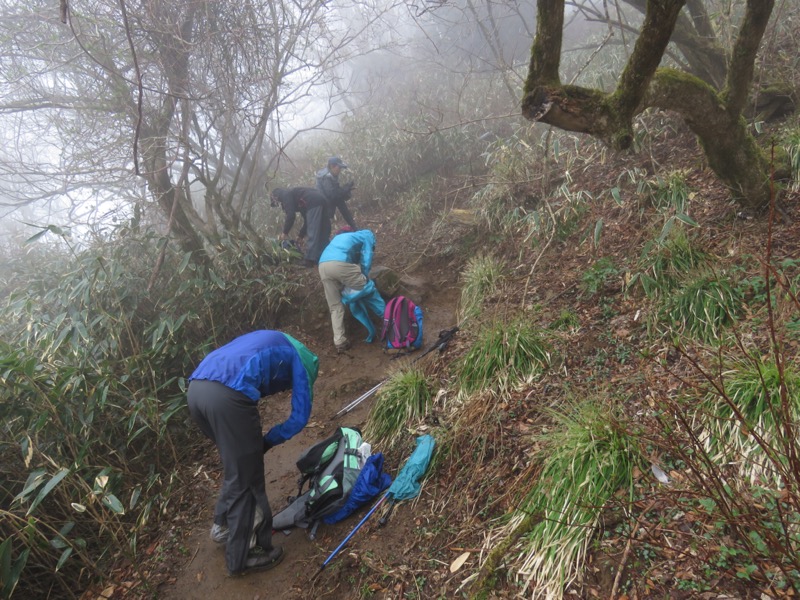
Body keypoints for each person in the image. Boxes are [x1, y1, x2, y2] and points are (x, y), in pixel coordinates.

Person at [187, 330, 319, 576]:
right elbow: (299, 418)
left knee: (237, 467)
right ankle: (245, 555)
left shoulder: (270, 339)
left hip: (196, 390)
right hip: (227, 398)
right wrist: (266, 442)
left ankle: (223, 526)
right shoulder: (303, 361)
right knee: (248, 477)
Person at [318, 228, 384, 353]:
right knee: (367, 287)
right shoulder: (368, 236)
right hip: (339, 263)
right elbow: (367, 257)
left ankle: (340, 341)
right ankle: (387, 317)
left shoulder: (341, 238)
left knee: (335, 306)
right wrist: (364, 276)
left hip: (322, 265)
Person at [271, 187, 331, 267]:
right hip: (322, 199)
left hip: (313, 201)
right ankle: (326, 257)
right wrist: (301, 235)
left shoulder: (285, 195)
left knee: (312, 232)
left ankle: (309, 260)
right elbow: (307, 221)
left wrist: (284, 232)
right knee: (323, 230)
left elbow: (291, 215)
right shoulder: (298, 199)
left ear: (276, 197)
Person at [316, 157, 357, 231]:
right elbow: (333, 195)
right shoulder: (326, 177)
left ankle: (355, 228)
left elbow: (338, 195)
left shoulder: (332, 174)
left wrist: (346, 189)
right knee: (324, 227)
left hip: (329, 203)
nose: (340, 170)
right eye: (339, 168)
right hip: (324, 205)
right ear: (332, 166)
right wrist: (345, 189)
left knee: (342, 207)